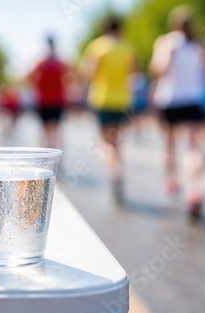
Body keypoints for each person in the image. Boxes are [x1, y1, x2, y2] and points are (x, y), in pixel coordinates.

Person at [149, 6, 205, 218]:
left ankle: (172, 181)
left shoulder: (167, 42)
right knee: (192, 147)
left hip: (171, 100)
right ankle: (195, 190)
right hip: (193, 100)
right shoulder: (198, 46)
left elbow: (159, 69)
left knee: (170, 144)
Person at [79, 15, 136, 202]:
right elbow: (133, 74)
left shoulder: (98, 46)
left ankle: (114, 172)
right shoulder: (128, 47)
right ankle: (118, 166)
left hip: (102, 98)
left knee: (105, 141)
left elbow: (90, 73)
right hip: (123, 99)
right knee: (117, 139)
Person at [27, 36, 68, 148]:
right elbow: (70, 76)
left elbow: (29, 76)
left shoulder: (41, 62)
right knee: (55, 130)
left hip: (44, 100)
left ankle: (44, 155)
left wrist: (36, 85)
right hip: (57, 99)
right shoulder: (60, 62)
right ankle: (55, 153)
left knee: (44, 130)